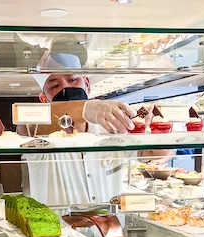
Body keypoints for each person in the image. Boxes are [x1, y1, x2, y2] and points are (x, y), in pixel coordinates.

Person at [19, 43, 168, 206]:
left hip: (109, 230)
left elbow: (157, 153)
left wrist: (158, 125)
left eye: (72, 79)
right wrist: (87, 108)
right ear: (43, 100)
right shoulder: (38, 132)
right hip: (59, 230)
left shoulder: (111, 126)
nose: (66, 88)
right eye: (55, 85)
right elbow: (25, 126)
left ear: (87, 85)